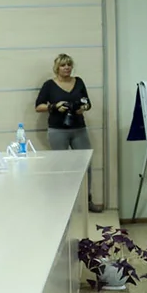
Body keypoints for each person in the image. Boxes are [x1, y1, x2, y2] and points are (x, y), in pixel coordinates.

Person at [35, 54, 104, 213]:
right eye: (63, 65)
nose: (67, 68)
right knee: (61, 166)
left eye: (69, 65)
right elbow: (38, 106)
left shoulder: (78, 82)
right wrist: (55, 106)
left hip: (79, 128)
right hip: (57, 130)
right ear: (57, 68)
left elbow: (87, 103)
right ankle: (62, 201)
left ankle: (87, 200)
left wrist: (83, 108)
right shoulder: (49, 85)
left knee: (85, 164)